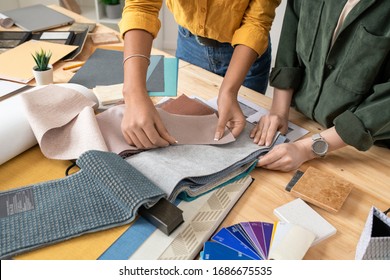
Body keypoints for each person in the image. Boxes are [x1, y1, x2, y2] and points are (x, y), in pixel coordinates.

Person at [118, 0, 281, 149]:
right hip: (189, 43)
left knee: (245, 138)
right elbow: (140, 6)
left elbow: (256, 22)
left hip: (245, 53)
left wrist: (228, 91)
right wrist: (133, 92)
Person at [251, 0, 390, 172]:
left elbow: (383, 107)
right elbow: (290, 37)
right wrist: (279, 110)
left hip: (366, 150)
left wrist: (306, 149)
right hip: (301, 122)